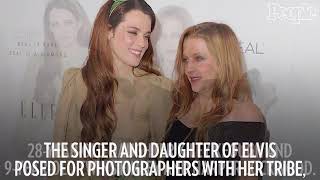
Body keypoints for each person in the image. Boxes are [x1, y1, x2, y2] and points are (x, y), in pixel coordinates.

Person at [53, 0, 171, 178]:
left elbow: (162, 169)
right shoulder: (74, 81)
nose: (142, 44)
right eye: (133, 32)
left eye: (146, 36)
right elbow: (58, 159)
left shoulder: (157, 89)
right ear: (108, 31)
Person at [165, 22, 268, 180]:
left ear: (223, 61)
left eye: (199, 58)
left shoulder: (246, 115)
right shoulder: (179, 106)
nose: (189, 68)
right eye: (185, 60)